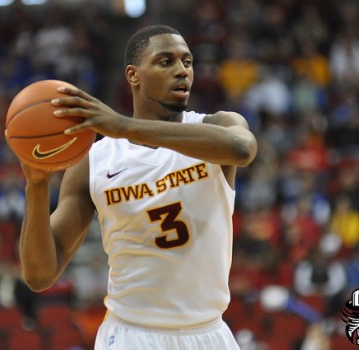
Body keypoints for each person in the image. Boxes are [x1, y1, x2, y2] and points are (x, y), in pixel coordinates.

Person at [17, 25, 257, 350]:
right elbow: (39, 275)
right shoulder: (93, 161)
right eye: (166, 61)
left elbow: (242, 150)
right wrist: (36, 186)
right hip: (132, 335)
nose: (181, 71)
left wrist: (124, 126)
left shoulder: (218, 126)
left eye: (187, 62)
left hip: (209, 333)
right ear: (133, 75)